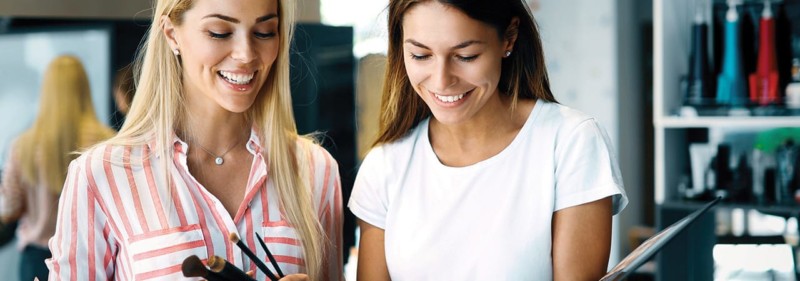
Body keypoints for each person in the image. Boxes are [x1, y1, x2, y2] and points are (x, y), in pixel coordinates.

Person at [45, 0, 344, 280]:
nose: (246, 54)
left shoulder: (316, 170)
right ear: (172, 34)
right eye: (220, 32)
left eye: (264, 33)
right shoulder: (101, 174)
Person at [348, 0, 629, 280]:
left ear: (509, 38)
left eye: (466, 55)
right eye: (421, 55)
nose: (442, 80)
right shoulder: (384, 166)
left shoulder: (570, 142)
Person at [0, 55, 116, 281]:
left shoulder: (22, 146)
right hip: (92, 258)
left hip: (35, 261)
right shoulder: (107, 143)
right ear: (84, 88)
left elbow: (8, 209)